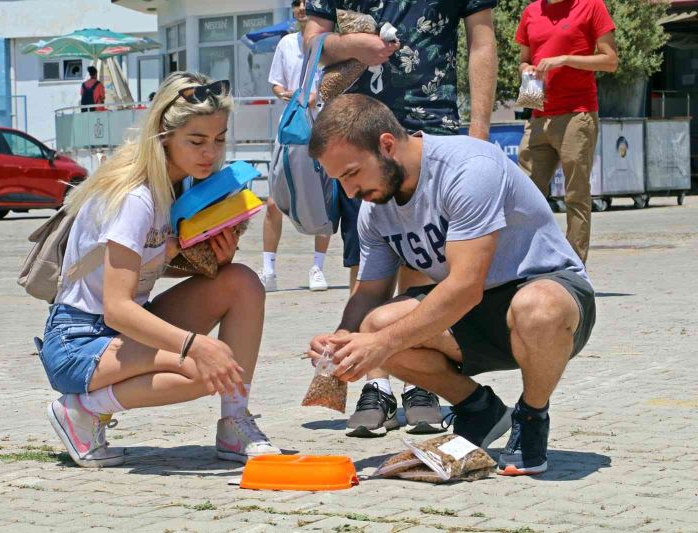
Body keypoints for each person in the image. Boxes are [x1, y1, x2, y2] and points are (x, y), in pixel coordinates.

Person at [306, 94, 595, 475]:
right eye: (339, 180)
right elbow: (371, 293)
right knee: (374, 325)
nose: (349, 192)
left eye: (351, 174)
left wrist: (380, 346)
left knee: (537, 307)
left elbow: (464, 287)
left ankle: (531, 416)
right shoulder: (374, 208)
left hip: (547, 295)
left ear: (387, 145)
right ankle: (479, 409)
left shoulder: (468, 167)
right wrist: (343, 340)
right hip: (473, 314)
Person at [39, 72, 280, 468]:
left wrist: (215, 259)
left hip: (122, 330)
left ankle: (234, 422)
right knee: (207, 368)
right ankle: (81, 411)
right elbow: (117, 306)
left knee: (241, 283)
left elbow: (146, 269)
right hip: (80, 340)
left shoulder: (179, 186)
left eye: (218, 140)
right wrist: (195, 344)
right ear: (165, 136)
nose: (211, 153)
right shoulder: (135, 196)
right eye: (197, 141)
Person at [305, 0, 498, 437]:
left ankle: (420, 387)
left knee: (422, 257)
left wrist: (479, 136)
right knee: (369, 260)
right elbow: (312, 42)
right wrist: (349, 43)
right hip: (352, 131)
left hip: (434, 122)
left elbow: (481, 39)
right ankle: (375, 382)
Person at [516, 0, 618, 264]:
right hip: (538, 114)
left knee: (576, 194)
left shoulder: (592, 6)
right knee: (524, 194)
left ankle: (574, 268)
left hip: (577, 113)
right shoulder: (531, 11)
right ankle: (531, 261)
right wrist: (526, 69)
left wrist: (566, 59)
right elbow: (523, 60)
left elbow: (610, 61)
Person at [260, 0, 331, 293]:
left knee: (325, 199)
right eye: (296, 3)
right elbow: (275, 83)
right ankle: (268, 270)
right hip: (290, 130)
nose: (302, 7)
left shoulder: (330, 43)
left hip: (324, 128)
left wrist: (319, 93)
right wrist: (285, 94)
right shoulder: (287, 44)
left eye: (307, 2)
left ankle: (318, 267)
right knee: (274, 200)